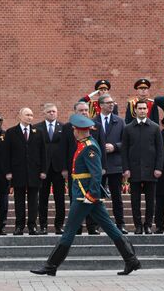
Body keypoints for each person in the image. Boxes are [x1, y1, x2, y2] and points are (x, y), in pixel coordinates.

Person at [30, 114, 140, 277]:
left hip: (84, 196)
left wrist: (91, 194)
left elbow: (96, 174)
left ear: (80, 131)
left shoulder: (89, 146)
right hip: (84, 193)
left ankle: (51, 265)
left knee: (69, 230)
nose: (73, 132)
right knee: (110, 227)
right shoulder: (83, 144)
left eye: (75, 129)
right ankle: (131, 260)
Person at [60, 101, 106, 235]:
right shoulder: (68, 127)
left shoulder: (96, 126)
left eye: (86, 110)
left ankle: (92, 226)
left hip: (91, 170)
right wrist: (64, 168)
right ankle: (77, 227)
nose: (84, 112)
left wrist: (103, 166)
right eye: (81, 110)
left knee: (91, 198)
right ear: (76, 112)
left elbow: (101, 146)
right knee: (75, 198)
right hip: (75, 171)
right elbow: (64, 148)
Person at [121, 100, 164, 235]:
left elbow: (160, 150)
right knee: (135, 201)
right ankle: (138, 225)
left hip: (151, 170)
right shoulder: (128, 128)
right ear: (135, 110)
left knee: (151, 200)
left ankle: (148, 225)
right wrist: (126, 168)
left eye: (144, 108)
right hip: (134, 170)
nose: (142, 110)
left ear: (147, 110)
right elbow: (124, 150)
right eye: (139, 108)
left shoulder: (155, 127)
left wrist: (158, 168)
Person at [4, 107, 47, 235]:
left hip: (35, 171)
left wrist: (43, 170)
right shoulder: (11, 132)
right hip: (18, 171)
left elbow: (43, 153)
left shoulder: (38, 132)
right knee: (19, 200)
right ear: (20, 116)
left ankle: (32, 225)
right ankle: (19, 226)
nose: (30, 117)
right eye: (27, 114)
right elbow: (6, 154)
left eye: (31, 115)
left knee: (34, 200)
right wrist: (8, 171)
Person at [95, 94, 127, 233]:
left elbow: (126, 141)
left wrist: (115, 146)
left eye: (112, 102)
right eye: (108, 102)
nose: (111, 104)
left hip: (115, 164)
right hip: (98, 165)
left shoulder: (120, 121)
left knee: (117, 197)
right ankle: (95, 225)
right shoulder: (93, 122)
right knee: (96, 197)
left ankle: (120, 224)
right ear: (100, 105)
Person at [35, 103, 65, 235]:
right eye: (49, 112)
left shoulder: (64, 128)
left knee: (60, 199)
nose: (52, 113)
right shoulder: (36, 128)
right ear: (44, 113)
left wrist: (65, 168)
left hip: (59, 169)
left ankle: (59, 226)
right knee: (43, 198)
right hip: (43, 169)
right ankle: (43, 226)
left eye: (54, 111)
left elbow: (66, 149)